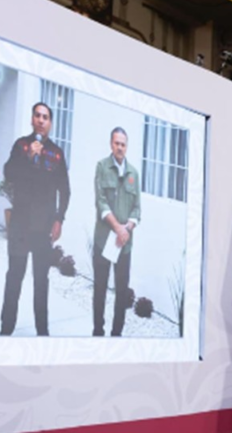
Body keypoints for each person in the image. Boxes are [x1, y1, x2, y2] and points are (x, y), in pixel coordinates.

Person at [0, 102, 70, 336]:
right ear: (32, 120)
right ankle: (6, 329)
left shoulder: (57, 153)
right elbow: (9, 174)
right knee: (14, 278)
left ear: (50, 123)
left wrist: (59, 219)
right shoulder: (21, 146)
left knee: (41, 281)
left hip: (43, 227)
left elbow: (65, 190)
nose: (41, 120)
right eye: (37, 116)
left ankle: (42, 332)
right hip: (20, 224)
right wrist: (29, 156)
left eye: (45, 117)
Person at [92, 127, 141, 337]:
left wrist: (126, 229)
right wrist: (117, 228)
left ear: (126, 146)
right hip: (104, 241)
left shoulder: (133, 173)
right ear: (111, 144)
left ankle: (116, 334)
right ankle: (98, 332)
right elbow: (100, 202)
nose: (120, 147)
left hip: (124, 244)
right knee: (100, 289)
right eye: (116, 143)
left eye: (123, 144)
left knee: (121, 292)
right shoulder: (102, 167)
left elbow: (137, 209)